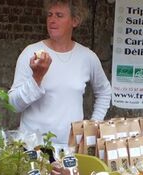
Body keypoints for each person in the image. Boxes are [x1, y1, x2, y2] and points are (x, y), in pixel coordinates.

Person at [8, 0, 111, 148]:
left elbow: (104, 91)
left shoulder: (87, 57)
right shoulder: (31, 53)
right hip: (33, 146)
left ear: (75, 21)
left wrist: (93, 125)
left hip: (70, 147)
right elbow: (13, 105)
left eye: (59, 15)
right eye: (49, 15)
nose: (52, 20)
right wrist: (36, 78)